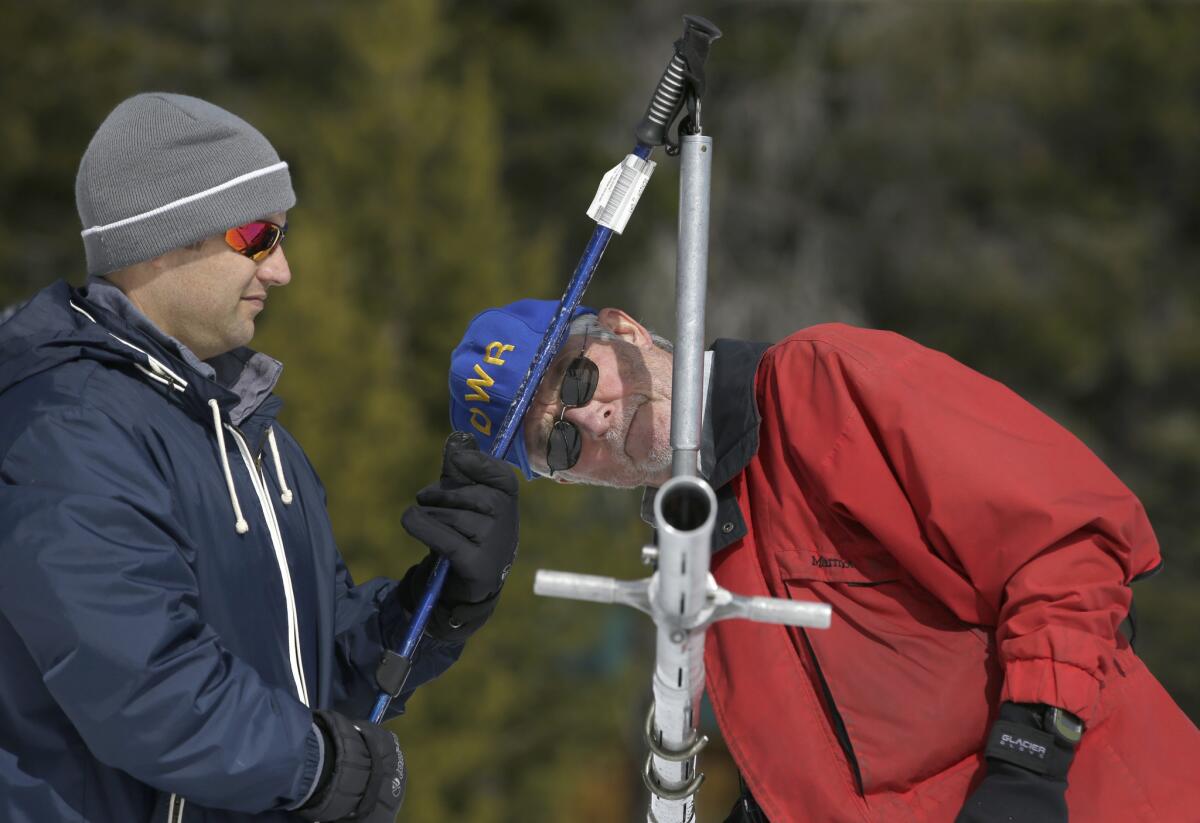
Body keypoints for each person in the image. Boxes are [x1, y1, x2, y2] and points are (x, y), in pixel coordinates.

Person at [446, 299, 1200, 823]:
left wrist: (1030, 763)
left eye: (576, 379)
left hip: (1103, 794)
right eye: (562, 444)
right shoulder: (692, 569)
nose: (590, 417)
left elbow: (1066, 544)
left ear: (624, 329)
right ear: (573, 479)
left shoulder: (819, 386)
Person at [0, 93, 520, 823]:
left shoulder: (243, 425)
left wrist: (434, 606)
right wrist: (322, 767)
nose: (282, 271)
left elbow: (315, 671)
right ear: (158, 239)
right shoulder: (68, 427)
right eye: (256, 236)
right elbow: (143, 687)